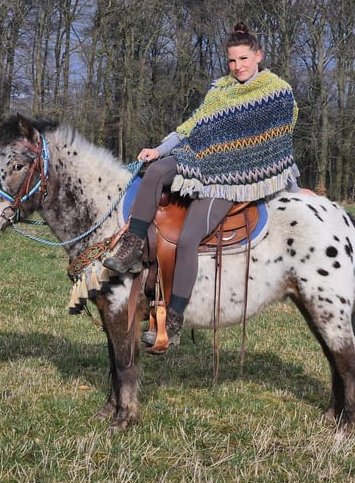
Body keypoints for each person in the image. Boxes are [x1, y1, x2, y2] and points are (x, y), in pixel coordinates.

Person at [103, 21, 300, 350]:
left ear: (258, 56)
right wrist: (158, 150)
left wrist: (295, 192)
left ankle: (174, 319)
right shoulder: (219, 89)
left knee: (188, 238)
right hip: (199, 159)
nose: (237, 67)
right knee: (154, 171)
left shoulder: (277, 93)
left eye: (243, 59)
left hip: (232, 180)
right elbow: (190, 127)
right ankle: (133, 246)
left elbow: (280, 148)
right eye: (232, 61)